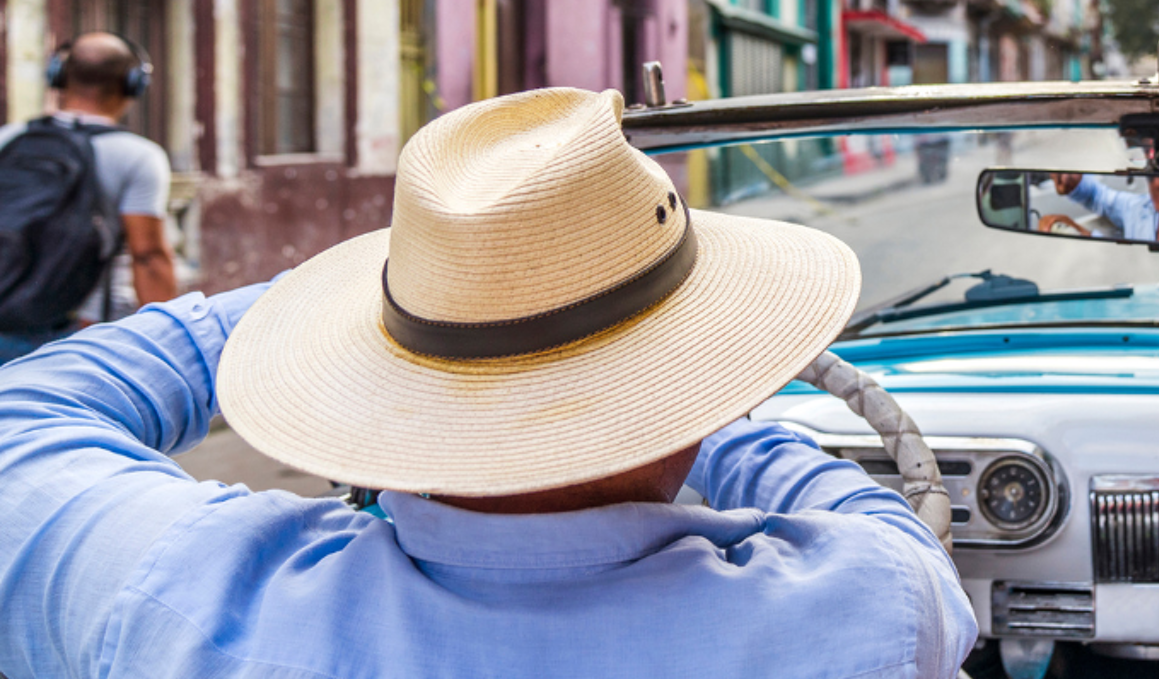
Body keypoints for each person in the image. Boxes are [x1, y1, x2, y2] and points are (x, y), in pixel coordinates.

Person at [0, 88, 977, 678]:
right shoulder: (866, 608)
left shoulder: (193, 597)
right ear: (698, 389)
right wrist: (728, 420)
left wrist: (339, 299)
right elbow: (898, 539)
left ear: (391, 377)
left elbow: (26, 418)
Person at [0, 32, 175, 359]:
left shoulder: (8, 139)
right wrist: (166, 342)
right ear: (132, 84)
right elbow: (148, 256)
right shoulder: (137, 157)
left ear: (58, 76)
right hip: (73, 332)